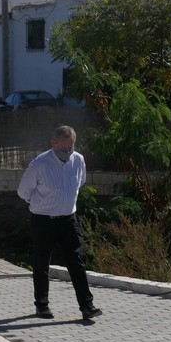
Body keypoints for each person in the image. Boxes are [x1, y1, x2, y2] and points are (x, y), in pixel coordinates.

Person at [17, 125, 102, 321]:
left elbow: (79, 184)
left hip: (68, 220)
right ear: (53, 144)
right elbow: (23, 192)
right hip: (43, 220)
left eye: (70, 147)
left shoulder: (78, 160)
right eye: (63, 148)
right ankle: (42, 305)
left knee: (76, 262)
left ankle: (87, 305)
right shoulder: (39, 164)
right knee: (41, 263)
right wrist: (41, 203)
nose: (67, 152)